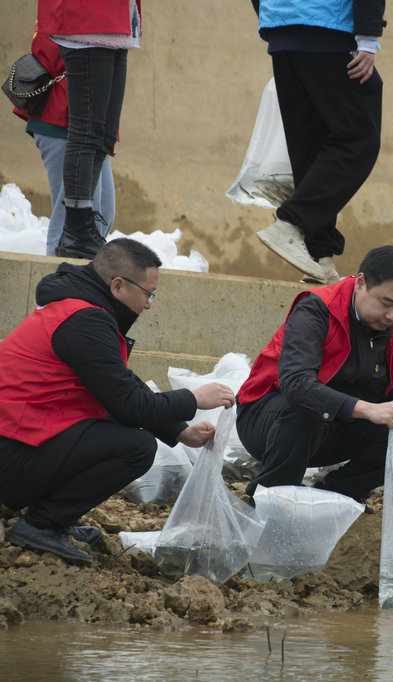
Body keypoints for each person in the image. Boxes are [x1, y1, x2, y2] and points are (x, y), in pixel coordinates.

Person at [0, 239, 235, 563]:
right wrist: (193, 398)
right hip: (12, 454)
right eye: (148, 293)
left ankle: (54, 517)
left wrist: (179, 431)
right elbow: (128, 405)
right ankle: (40, 523)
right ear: (118, 285)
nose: (149, 304)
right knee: (135, 446)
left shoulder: (77, 308)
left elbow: (118, 384)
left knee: (114, 426)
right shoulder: (86, 321)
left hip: (20, 440)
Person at [236, 246, 393, 501]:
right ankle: (270, 496)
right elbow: (296, 384)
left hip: (336, 429)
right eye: (386, 303)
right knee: (307, 408)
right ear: (360, 283)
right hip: (267, 420)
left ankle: (338, 497)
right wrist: (367, 409)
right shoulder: (317, 308)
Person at [252, 0, 386, 284]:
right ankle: (292, 222)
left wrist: (276, 15)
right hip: (329, 27)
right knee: (359, 138)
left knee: (310, 147)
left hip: (281, 31)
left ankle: (319, 257)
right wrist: (367, 36)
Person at [38, 0, 140, 260]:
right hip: (89, 18)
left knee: (102, 135)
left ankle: (80, 230)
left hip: (117, 22)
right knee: (87, 133)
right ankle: (75, 231)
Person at [10, 23, 115, 256]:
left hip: (87, 123)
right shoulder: (71, 10)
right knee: (70, 222)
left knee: (102, 214)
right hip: (63, 115)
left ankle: (79, 286)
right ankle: (61, 288)